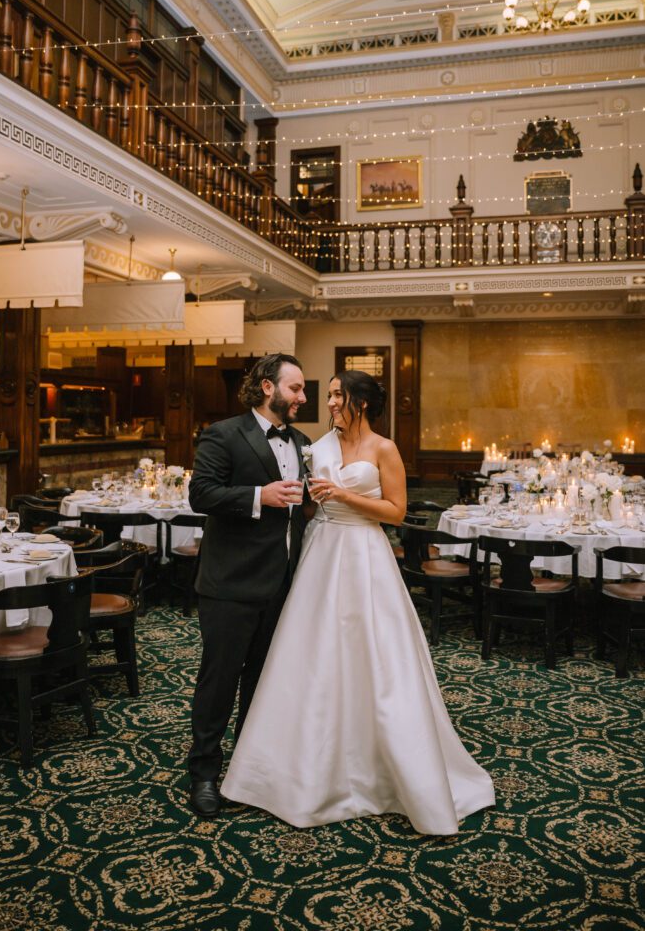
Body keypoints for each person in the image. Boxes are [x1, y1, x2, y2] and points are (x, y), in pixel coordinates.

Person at [221, 370, 495, 833]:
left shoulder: (384, 449)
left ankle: (384, 765)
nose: (327, 403)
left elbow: (397, 512)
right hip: (320, 553)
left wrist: (345, 494)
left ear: (360, 402)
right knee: (309, 656)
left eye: (335, 395)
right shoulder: (318, 446)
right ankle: (295, 770)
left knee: (376, 657)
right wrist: (308, 499)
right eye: (326, 394)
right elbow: (310, 508)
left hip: (366, 554)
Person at [187, 353, 310, 818]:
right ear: (267, 387)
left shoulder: (301, 442)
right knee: (218, 682)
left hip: (281, 583)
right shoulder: (224, 434)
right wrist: (259, 496)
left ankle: (248, 769)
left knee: (262, 682)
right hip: (230, 584)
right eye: (295, 388)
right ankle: (203, 772)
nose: (302, 397)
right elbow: (201, 494)